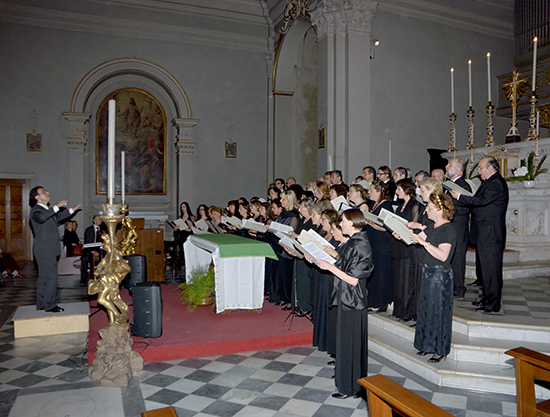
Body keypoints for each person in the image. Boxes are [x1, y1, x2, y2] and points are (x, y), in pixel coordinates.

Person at [315, 209, 373, 399]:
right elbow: (343, 263)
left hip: (352, 301)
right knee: (345, 344)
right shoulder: (353, 242)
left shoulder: (360, 245)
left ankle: (351, 387)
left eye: (344, 221)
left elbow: (354, 279)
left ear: (353, 223)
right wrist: (321, 261)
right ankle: (346, 381)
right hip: (345, 298)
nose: (340, 225)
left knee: (350, 345)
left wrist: (329, 267)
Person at [451, 156, 509, 313]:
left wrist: (460, 197)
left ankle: (492, 304)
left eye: (480, 167)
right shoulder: (489, 182)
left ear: (490, 167)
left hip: (491, 234)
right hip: (484, 234)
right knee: (485, 270)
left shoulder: (496, 183)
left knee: (492, 271)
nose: (478, 170)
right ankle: (486, 298)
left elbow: (481, 201)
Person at [410, 192, 456, 363]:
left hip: (439, 276)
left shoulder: (448, 230)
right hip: (427, 272)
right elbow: (416, 239)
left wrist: (424, 243)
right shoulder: (431, 227)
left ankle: (439, 349)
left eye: (430, 208)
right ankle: (426, 345)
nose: (426, 211)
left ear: (441, 209)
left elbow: (443, 255)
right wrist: (403, 235)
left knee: (438, 313)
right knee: (425, 310)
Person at [29, 186, 81, 312]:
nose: (47, 192)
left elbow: (57, 217)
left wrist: (71, 210)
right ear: (37, 197)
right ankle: (50, 304)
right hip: (44, 249)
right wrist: (56, 207)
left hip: (48, 249)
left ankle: (41, 303)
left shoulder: (47, 211)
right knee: (51, 277)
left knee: (44, 277)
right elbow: (42, 218)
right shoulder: (36, 211)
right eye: (43, 192)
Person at [391, 178, 421, 322]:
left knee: (407, 282)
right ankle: (399, 310)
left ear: (406, 189)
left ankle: (407, 313)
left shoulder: (415, 205)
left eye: (399, 189)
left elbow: (414, 227)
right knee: (399, 281)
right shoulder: (402, 205)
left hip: (409, 247)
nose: (396, 192)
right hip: (399, 245)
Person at [365, 179, 394, 313]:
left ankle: (381, 302)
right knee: (373, 272)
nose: (368, 192)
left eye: (371, 190)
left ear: (378, 192)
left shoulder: (386, 205)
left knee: (381, 273)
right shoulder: (374, 204)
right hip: (373, 243)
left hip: (382, 244)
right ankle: (371, 300)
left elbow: (388, 227)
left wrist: (370, 223)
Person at [445, 157, 472, 299]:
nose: (446, 166)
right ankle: (450, 286)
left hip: (459, 229)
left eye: (450, 165)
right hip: (450, 228)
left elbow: (465, 209)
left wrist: (448, 209)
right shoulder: (448, 185)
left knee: (457, 261)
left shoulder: (463, 186)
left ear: (458, 170)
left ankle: (459, 290)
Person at [81, 215, 106, 283]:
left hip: (100, 250)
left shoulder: (103, 230)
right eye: (98, 219)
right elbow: (87, 242)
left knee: (105, 258)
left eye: (101, 219)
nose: (100, 221)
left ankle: (102, 276)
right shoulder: (89, 230)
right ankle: (84, 278)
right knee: (84, 259)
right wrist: (92, 251)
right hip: (90, 250)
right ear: (94, 221)